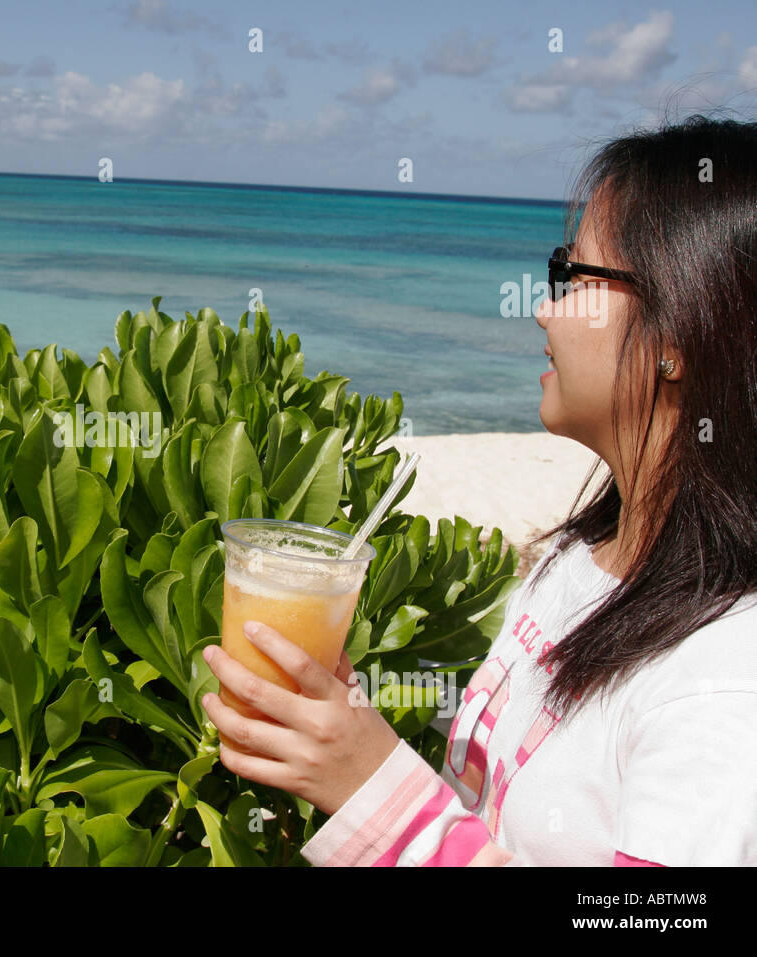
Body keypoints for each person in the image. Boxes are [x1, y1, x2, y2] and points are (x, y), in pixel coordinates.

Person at [199, 114, 757, 866]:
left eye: (576, 277)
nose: (542, 306)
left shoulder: (722, 687)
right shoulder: (581, 559)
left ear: (679, 337)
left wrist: (375, 792)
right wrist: (347, 737)